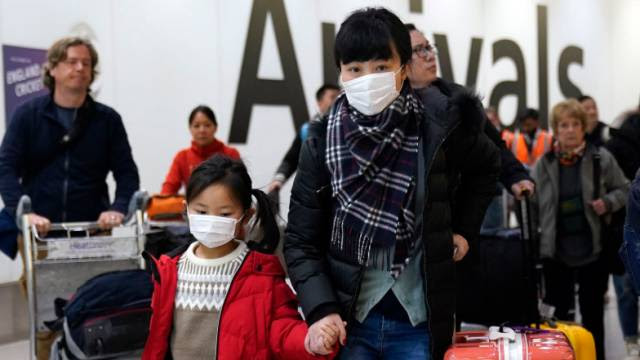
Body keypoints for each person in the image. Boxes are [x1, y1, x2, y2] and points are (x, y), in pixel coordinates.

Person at [285, 8, 500, 359]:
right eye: (355, 69)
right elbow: (301, 241)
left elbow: (488, 166)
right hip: (349, 325)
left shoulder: (439, 128)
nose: (368, 78)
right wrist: (322, 309)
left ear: (402, 70)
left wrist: (463, 229)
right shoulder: (321, 143)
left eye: (381, 67)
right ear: (340, 73)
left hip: (420, 323)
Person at [143, 155, 338, 359]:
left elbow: (283, 330)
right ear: (186, 209)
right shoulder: (168, 271)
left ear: (247, 215)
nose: (211, 220)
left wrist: (310, 342)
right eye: (201, 211)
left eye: (225, 214)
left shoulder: (262, 276)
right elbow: (158, 338)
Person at [0, 36, 139, 232]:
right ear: (53, 68)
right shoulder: (27, 115)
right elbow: (5, 168)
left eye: (86, 63)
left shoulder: (108, 120)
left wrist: (118, 208)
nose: (80, 68)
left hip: (93, 230)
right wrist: (23, 213)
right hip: (38, 231)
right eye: (72, 62)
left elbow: (127, 173)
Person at [531, 99, 630, 360]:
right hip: (555, 252)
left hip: (593, 251)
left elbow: (626, 189)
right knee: (559, 321)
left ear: (584, 127)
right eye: (564, 125)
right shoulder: (544, 164)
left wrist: (607, 203)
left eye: (576, 124)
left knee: (593, 318)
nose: (570, 130)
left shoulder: (600, 158)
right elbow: (532, 205)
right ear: (555, 129)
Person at [404, 23, 534, 201]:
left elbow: (493, 145)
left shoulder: (460, 100)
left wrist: (515, 176)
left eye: (428, 47)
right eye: (418, 50)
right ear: (400, 61)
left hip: (451, 214)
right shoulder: (387, 109)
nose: (430, 56)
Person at [605, 104, 640, 358]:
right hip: (624, 224)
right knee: (627, 289)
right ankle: (630, 340)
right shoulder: (620, 141)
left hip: (626, 224)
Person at [267, 84, 340, 194]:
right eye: (333, 97)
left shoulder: (351, 127)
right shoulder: (306, 130)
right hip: (315, 196)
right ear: (319, 103)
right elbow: (291, 159)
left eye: (340, 97)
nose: (338, 101)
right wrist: (278, 180)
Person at [161, 105, 240, 195]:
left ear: (215, 127)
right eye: (196, 126)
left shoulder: (230, 154)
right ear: (190, 129)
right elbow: (167, 191)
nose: (202, 130)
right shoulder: (182, 157)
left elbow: (240, 189)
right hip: (193, 207)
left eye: (207, 125)